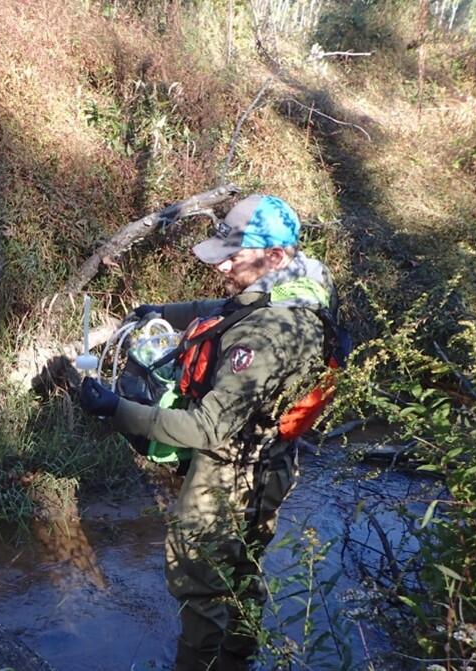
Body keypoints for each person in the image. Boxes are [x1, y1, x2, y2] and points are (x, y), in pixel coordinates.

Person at [79, 194, 338, 671]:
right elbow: (231, 308)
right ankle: (238, 661)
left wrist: (117, 408)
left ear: (274, 255)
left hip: (232, 472)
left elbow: (205, 428)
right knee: (242, 572)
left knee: (199, 581)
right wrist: (166, 310)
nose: (222, 266)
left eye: (232, 256)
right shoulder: (301, 285)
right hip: (277, 461)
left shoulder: (265, 338)